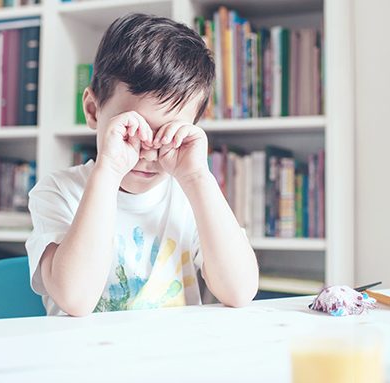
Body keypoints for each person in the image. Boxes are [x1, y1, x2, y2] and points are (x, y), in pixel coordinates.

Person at [25, 13, 259, 316]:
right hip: (83, 359)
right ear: (93, 111)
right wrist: (108, 171)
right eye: (132, 130)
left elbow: (239, 291)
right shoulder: (58, 192)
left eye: (168, 134)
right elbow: (75, 299)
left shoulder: (189, 197)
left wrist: (198, 178)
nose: (149, 152)